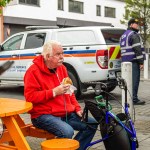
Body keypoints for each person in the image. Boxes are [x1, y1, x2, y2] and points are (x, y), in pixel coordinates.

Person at [24, 40, 98, 150]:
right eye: (58, 54)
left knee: (92, 124)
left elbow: (70, 91)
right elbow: (30, 97)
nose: (62, 57)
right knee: (67, 131)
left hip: (65, 113)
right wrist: (53, 92)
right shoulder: (33, 71)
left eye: (62, 53)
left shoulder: (62, 68)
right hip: (42, 115)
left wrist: (77, 108)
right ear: (48, 56)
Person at [120, 18, 146, 105]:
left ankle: (128, 98)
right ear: (131, 25)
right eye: (136, 23)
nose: (137, 25)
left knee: (127, 81)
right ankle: (134, 99)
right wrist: (141, 62)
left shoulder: (123, 35)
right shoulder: (134, 35)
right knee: (135, 81)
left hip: (125, 62)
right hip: (134, 61)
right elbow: (137, 49)